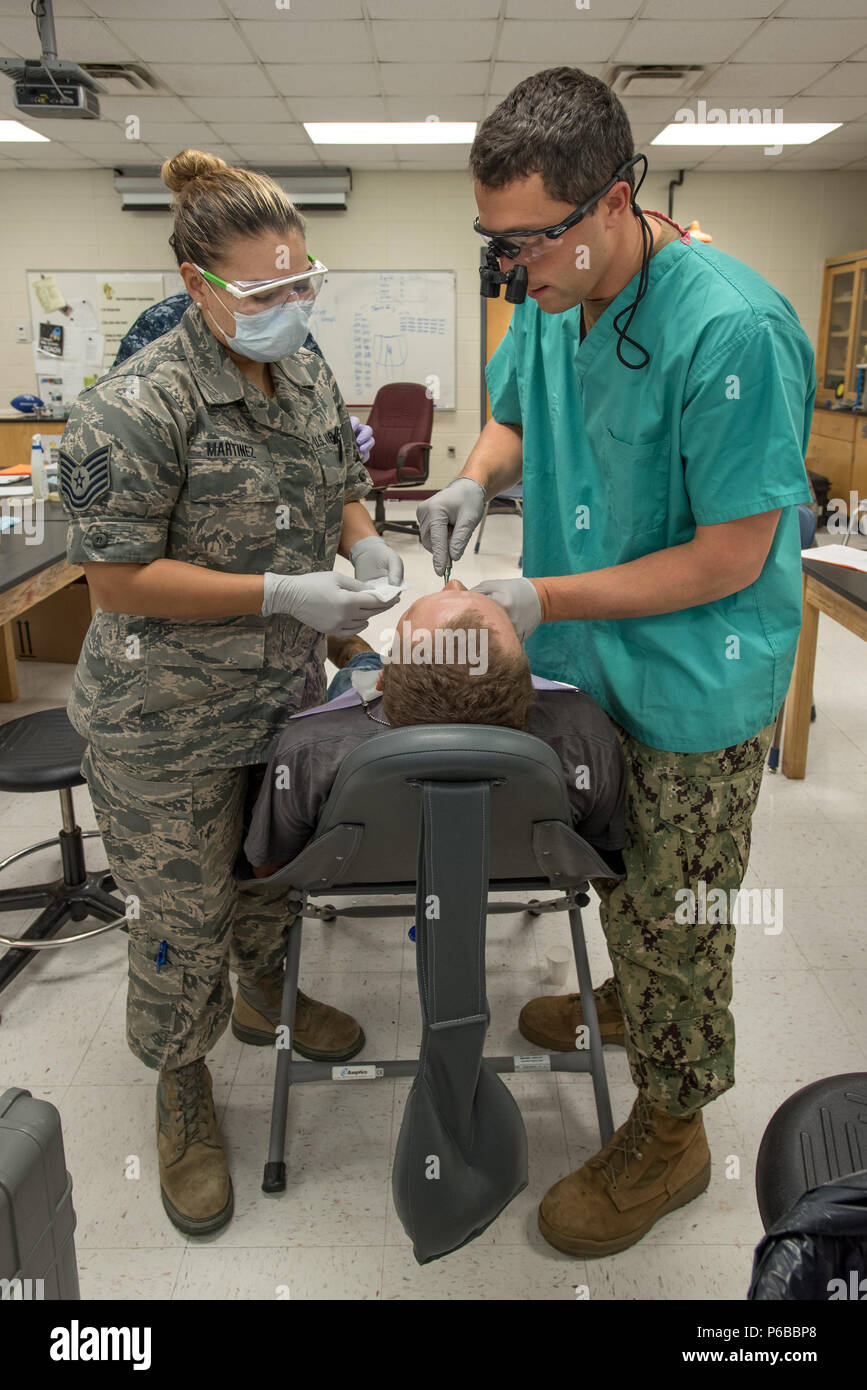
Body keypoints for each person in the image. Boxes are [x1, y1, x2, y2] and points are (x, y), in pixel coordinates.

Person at [416, 67, 816, 1259]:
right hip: (591, 666)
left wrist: (538, 593)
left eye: (526, 243)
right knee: (609, 858)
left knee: (680, 908)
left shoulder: (730, 328)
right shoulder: (549, 292)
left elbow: (731, 557)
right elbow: (515, 413)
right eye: (491, 246)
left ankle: (676, 1124)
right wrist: (473, 476)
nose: (509, 272)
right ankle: (630, 994)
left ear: (613, 202)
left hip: (696, 677)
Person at [57, 148, 403, 1238]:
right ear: (198, 285)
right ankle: (182, 1089)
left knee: (267, 874)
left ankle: (269, 997)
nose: (289, 307)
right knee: (182, 918)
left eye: (304, 282)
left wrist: (368, 548)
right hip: (162, 722)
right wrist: (278, 590)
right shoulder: (134, 405)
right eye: (263, 292)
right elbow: (115, 580)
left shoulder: (300, 371)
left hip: (279, 703)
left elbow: (342, 484)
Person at [241, 581, 627, 881]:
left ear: (383, 682)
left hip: (350, 868)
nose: (455, 582)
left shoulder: (310, 746)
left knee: (350, 675)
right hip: (523, 868)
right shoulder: (586, 731)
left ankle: (360, 656)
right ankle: (360, 654)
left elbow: (270, 868)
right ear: (530, 681)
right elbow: (595, 848)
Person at [113, 294, 376, 468]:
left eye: (299, 284)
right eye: (259, 293)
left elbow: (313, 392)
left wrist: (335, 433)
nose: (284, 299)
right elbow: (126, 406)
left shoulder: (290, 324)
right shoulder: (161, 322)